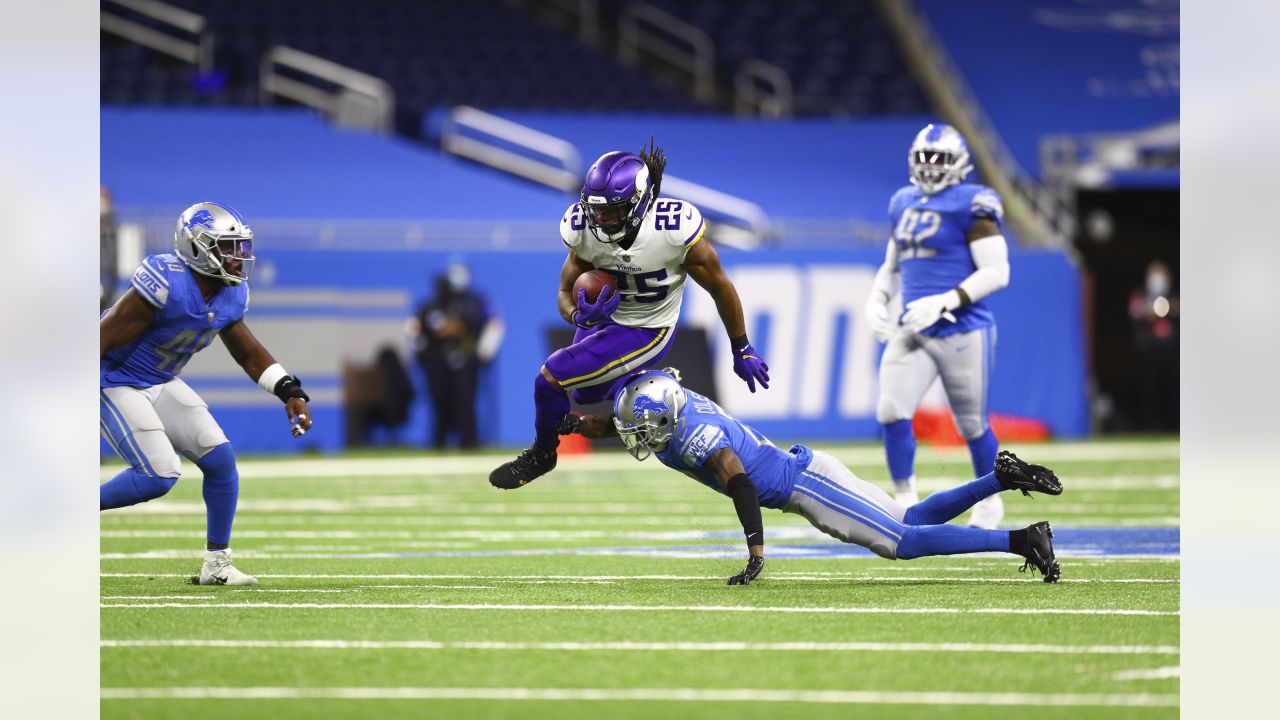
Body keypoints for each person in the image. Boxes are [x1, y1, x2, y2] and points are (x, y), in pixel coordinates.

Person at [560, 369, 1061, 584]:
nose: (637, 438)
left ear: (668, 420)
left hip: (806, 487)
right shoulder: (668, 402)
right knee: (909, 517)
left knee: (902, 542)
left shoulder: (695, 435)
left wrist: (756, 551)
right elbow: (623, 422)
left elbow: (738, 482)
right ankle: (999, 477)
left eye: (646, 430)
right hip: (809, 471)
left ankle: (1021, 540)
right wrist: (577, 425)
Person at [489, 138, 770, 489]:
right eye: (596, 209)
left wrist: (740, 346)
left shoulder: (672, 230)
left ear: (639, 203)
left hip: (647, 328)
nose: (601, 219)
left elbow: (719, 286)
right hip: (606, 324)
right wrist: (579, 316)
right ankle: (642, 398)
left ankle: (542, 454)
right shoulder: (583, 229)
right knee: (585, 396)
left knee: (549, 378)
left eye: (612, 210)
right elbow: (564, 292)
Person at [99, 202, 313, 586]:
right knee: (157, 475)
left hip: (158, 380)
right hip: (112, 380)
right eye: (228, 247)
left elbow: (248, 352)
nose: (239, 257)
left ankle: (217, 565)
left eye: (241, 247)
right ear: (197, 247)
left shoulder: (231, 294)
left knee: (220, 460)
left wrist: (288, 389)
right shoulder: (166, 282)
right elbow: (99, 339)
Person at [864, 123, 1012, 529]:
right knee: (891, 410)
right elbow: (892, 265)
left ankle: (988, 503)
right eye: (924, 157)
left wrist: (947, 300)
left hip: (963, 329)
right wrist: (877, 298)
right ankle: (906, 503)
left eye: (939, 158)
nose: (931, 166)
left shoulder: (973, 202)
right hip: (914, 327)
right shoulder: (902, 201)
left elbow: (997, 272)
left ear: (959, 162)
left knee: (971, 423)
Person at [411, 259, 504, 449]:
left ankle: (469, 442)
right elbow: (421, 327)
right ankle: (439, 442)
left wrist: (484, 352)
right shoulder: (430, 305)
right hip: (436, 359)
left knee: (465, 400)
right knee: (440, 401)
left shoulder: (475, 301)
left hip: (467, 356)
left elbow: (489, 324)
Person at [1128, 260, 1179, 431]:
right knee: (1148, 388)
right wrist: (1150, 312)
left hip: (1170, 352)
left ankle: (1172, 425)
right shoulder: (1140, 294)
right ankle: (1147, 425)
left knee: (1172, 389)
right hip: (1147, 352)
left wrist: (1167, 310)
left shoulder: (1174, 295)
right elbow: (1135, 311)